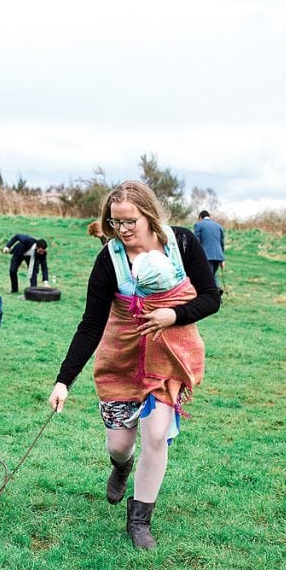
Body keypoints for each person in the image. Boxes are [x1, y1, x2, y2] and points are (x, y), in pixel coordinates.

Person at [48, 181, 220, 550]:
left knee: (155, 435)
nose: (123, 231)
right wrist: (64, 380)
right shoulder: (109, 259)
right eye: (115, 223)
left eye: (130, 222)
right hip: (121, 358)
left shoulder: (183, 244)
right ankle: (121, 466)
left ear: (149, 215)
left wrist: (172, 315)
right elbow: (91, 324)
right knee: (120, 444)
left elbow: (210, 298)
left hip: (166, 356)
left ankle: (140, 520)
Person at [193, 210, 225, 291]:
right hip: (218, 256)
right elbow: (222, 243)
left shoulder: (198, 225)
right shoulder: (218, 226)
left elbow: (196, 242)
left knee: (208, 276)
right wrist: (222, 259)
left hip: (206, 255)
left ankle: (213, 293)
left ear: (200, 217)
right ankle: (217, 290)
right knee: (213, 274)